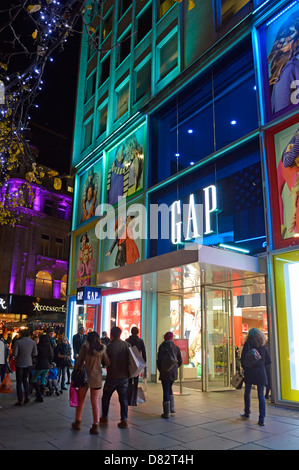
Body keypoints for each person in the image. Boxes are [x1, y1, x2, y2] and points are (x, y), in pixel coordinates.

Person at [72, 331, 110, 434]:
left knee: (81, 400)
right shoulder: (102, 348)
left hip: (84, 377)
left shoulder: (85, 347)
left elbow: (79, 362)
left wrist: (75, 372)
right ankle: (96, 425)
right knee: (95, 401)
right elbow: (107, 362)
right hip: (97, 377)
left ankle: (78, 422)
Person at [100, 326, 130, 429]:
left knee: (106, 397)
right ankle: (124, 420)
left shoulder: (109, 347)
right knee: (123, 398)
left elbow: (105, 362)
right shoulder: (126, 345)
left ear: (112, 335)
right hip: (124, 376)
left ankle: (104, 417)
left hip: (112, 376)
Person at [240, 328, 272, 426]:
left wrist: (246, 367)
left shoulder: (248, 344)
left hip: (250, 372)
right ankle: (261, 418)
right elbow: (269, 361)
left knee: (247, 393)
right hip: (261, 373)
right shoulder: (263, 346)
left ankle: (247, 412)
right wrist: (262, 367)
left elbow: (243, 360)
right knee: (261, 395)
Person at [157, 331, 182, 419]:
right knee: (169, 387)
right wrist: (174, 368)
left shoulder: (162, 347)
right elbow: (180, 361)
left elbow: (159, 361)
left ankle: (166, 412)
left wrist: (161, 369)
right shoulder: (176, 348)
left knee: (166, 390)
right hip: (173, 373)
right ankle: (172, 408)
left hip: (165, 372)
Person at [12, 329, 37, 406]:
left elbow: (15, 354)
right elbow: (35, 353)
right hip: (28, 363)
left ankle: (20, 400)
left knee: (19, 382)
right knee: (25, 380)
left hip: (20, 363)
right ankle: (27, 396)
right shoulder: (33, 342)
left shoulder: (18, 342)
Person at [32, 333, 53, 403]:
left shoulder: (39, 346)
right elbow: (51, 356)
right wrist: (50, 363)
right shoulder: (49, 347)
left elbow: (35, 355)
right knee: (43, 380)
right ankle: (41, 394)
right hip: (47, 366)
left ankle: (39, 395)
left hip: (40, 365)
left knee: (34, 379)